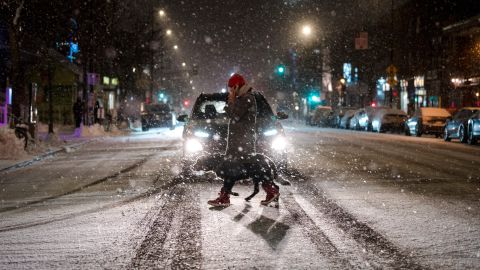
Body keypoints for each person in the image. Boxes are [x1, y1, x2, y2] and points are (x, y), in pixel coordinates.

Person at [207, 73, 280, 207]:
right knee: (236, 169)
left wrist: (230, 102)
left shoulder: (247, 98)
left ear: (236, 86)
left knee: (239, 169)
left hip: (242, 143)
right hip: (238, 142)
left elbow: (235, 116)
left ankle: (270, 189)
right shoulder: (243, 98)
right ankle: (270, 190)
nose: (230, 91)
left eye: (231, 89)